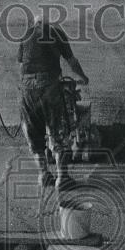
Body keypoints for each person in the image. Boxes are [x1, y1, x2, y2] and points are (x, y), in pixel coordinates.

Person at [17, 13, 90, 193]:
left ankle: (44, 175)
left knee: (33, 132)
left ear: (35, 23)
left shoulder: (26, 35)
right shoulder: (56, 32)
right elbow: (72, 62)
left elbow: (21, 66)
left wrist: (27, 87)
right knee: (58, 129)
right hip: (48, 85)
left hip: (27, 88)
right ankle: (62, 178)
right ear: (48, 23)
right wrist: (83, 78)